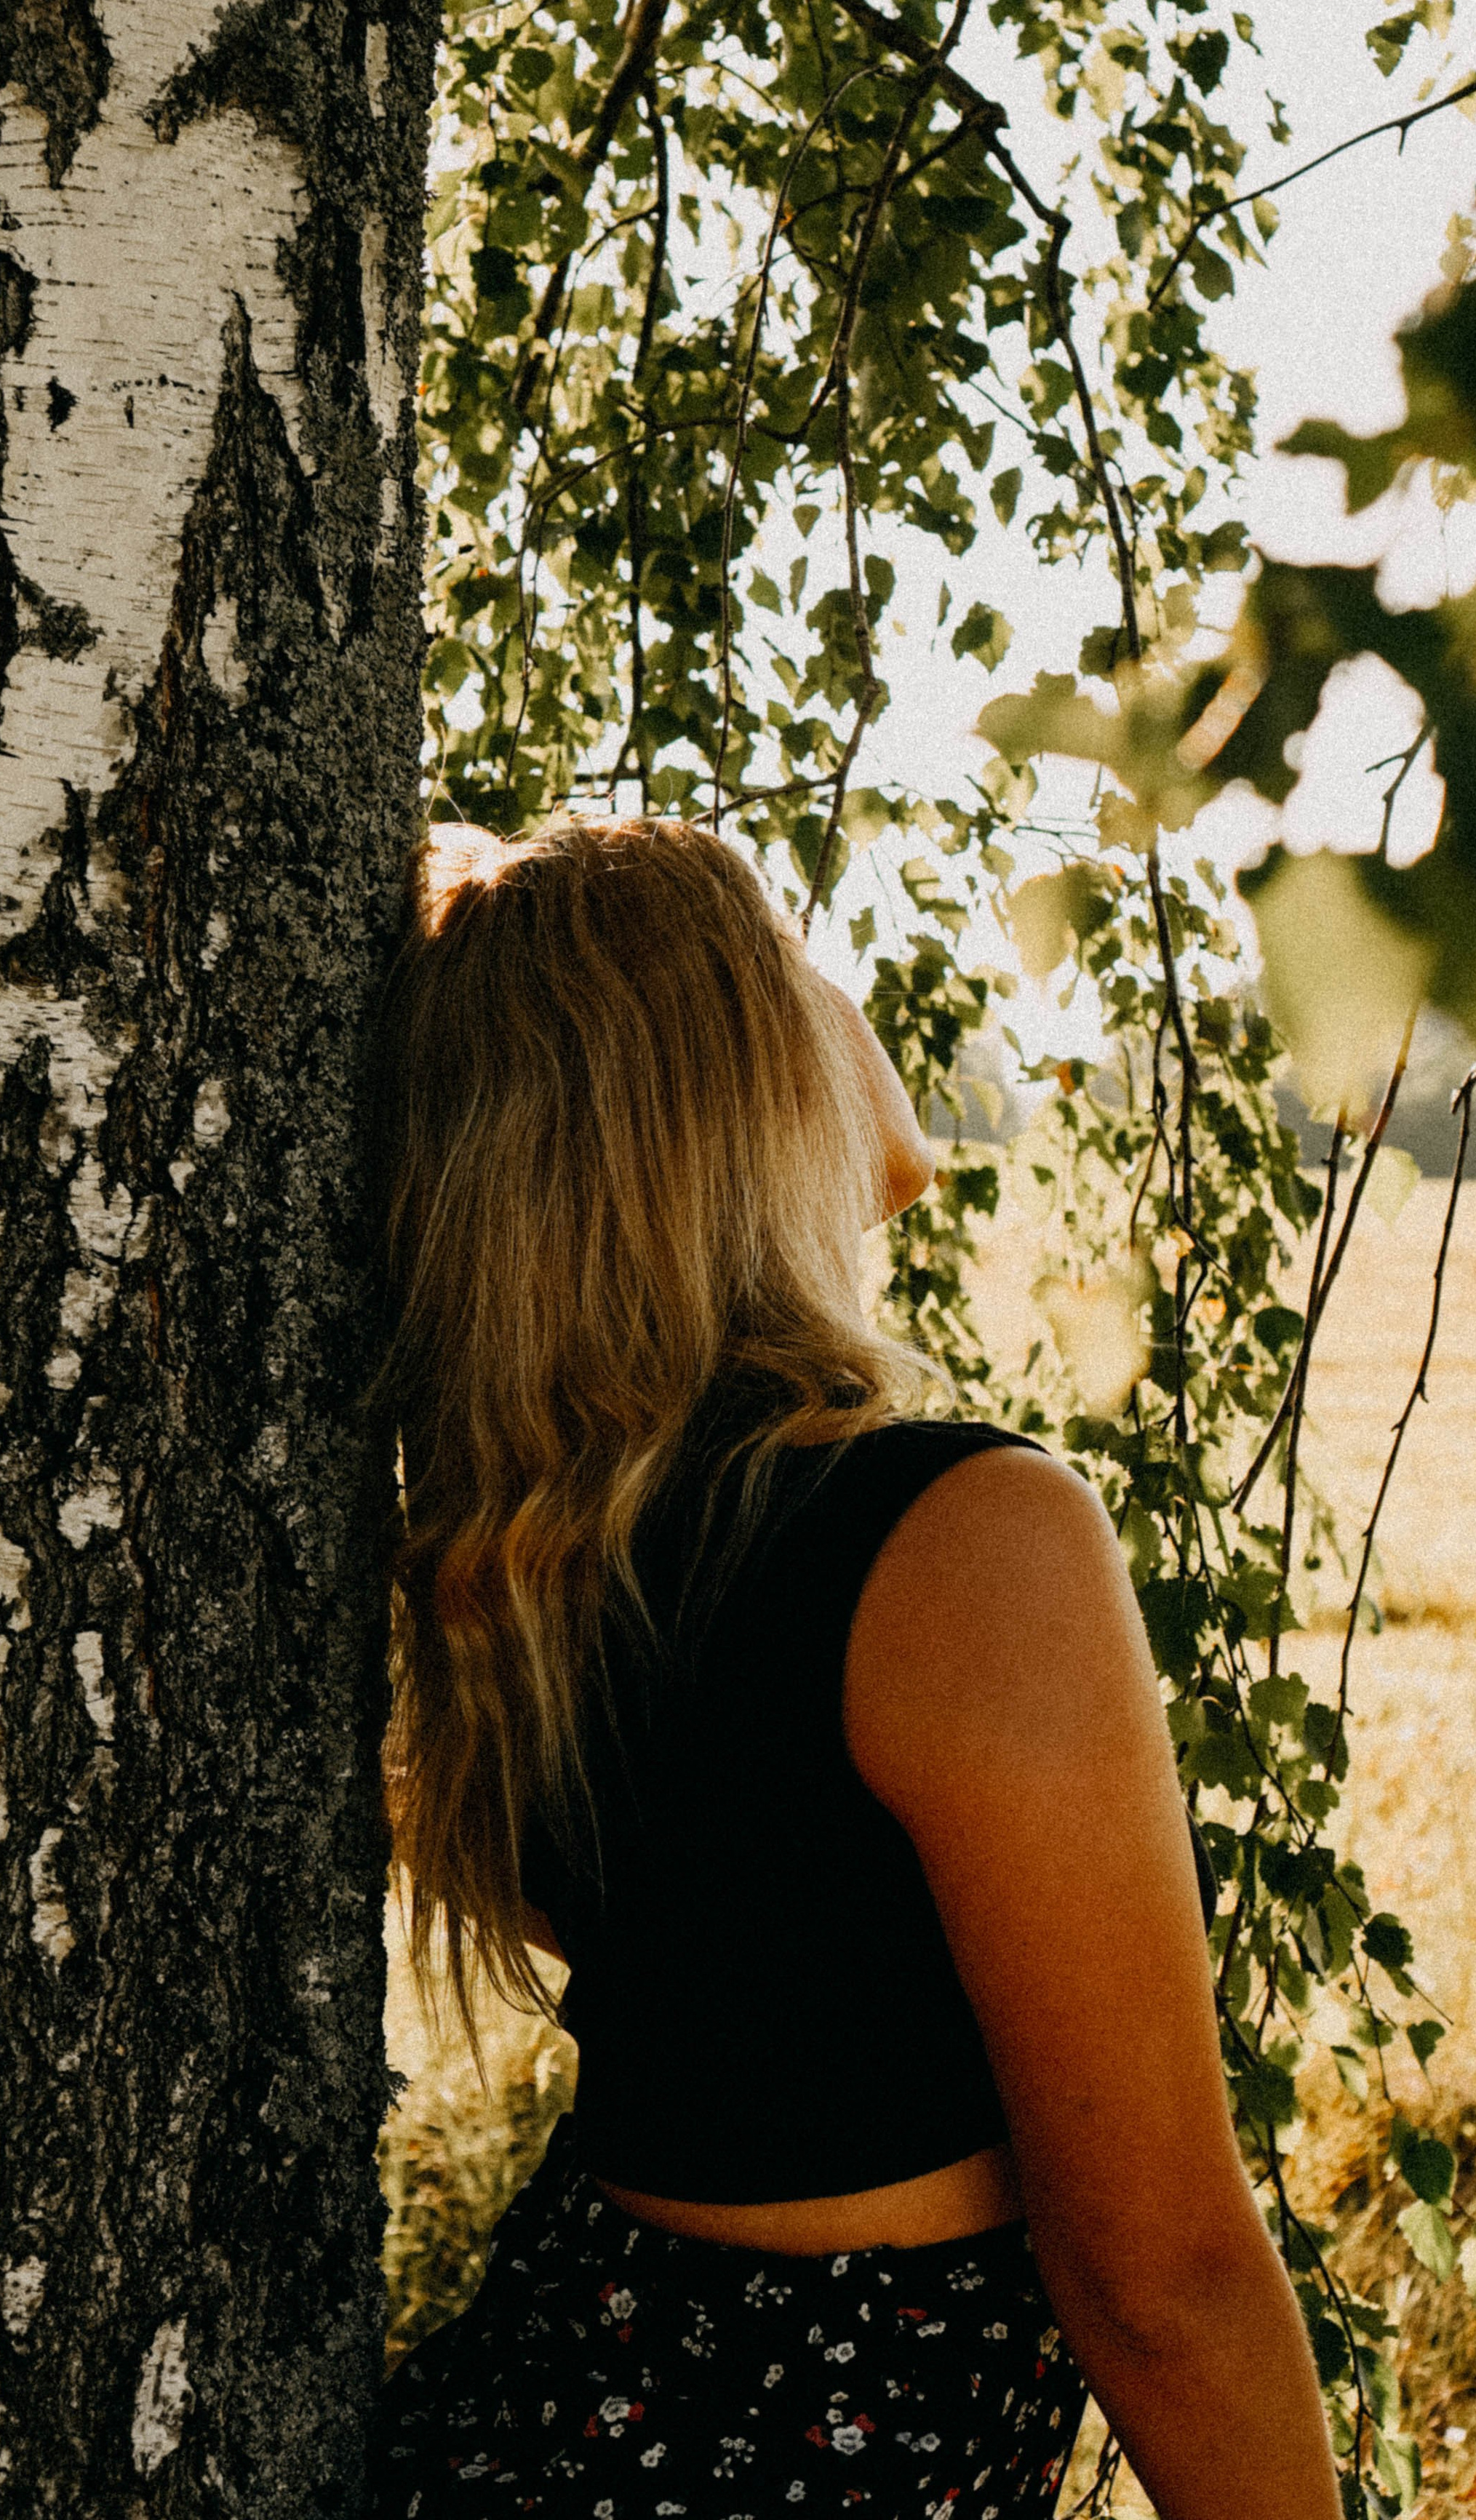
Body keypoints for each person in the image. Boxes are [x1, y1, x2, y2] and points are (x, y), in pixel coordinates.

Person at [368, 816, 1341, 2520]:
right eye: (795, 959)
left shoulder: (521, 1575)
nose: (847, 997)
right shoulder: (959, 1544)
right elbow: (1162, 2285)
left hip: (533, 2436)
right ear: (740, 1081)